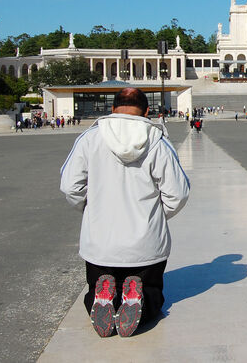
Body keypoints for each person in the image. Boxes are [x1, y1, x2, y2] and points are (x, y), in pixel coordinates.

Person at [60, 88, 189, 338]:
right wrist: (156, 217)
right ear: (147, 110)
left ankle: (103, 296)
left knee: (95, 286)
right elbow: (179, 193)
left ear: (112, 108)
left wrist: (90, 210)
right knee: (152, 294)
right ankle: (139, 300)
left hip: (100, 243)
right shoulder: (157, 141)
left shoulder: (90, 138)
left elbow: (70, 186)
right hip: (145, 245)